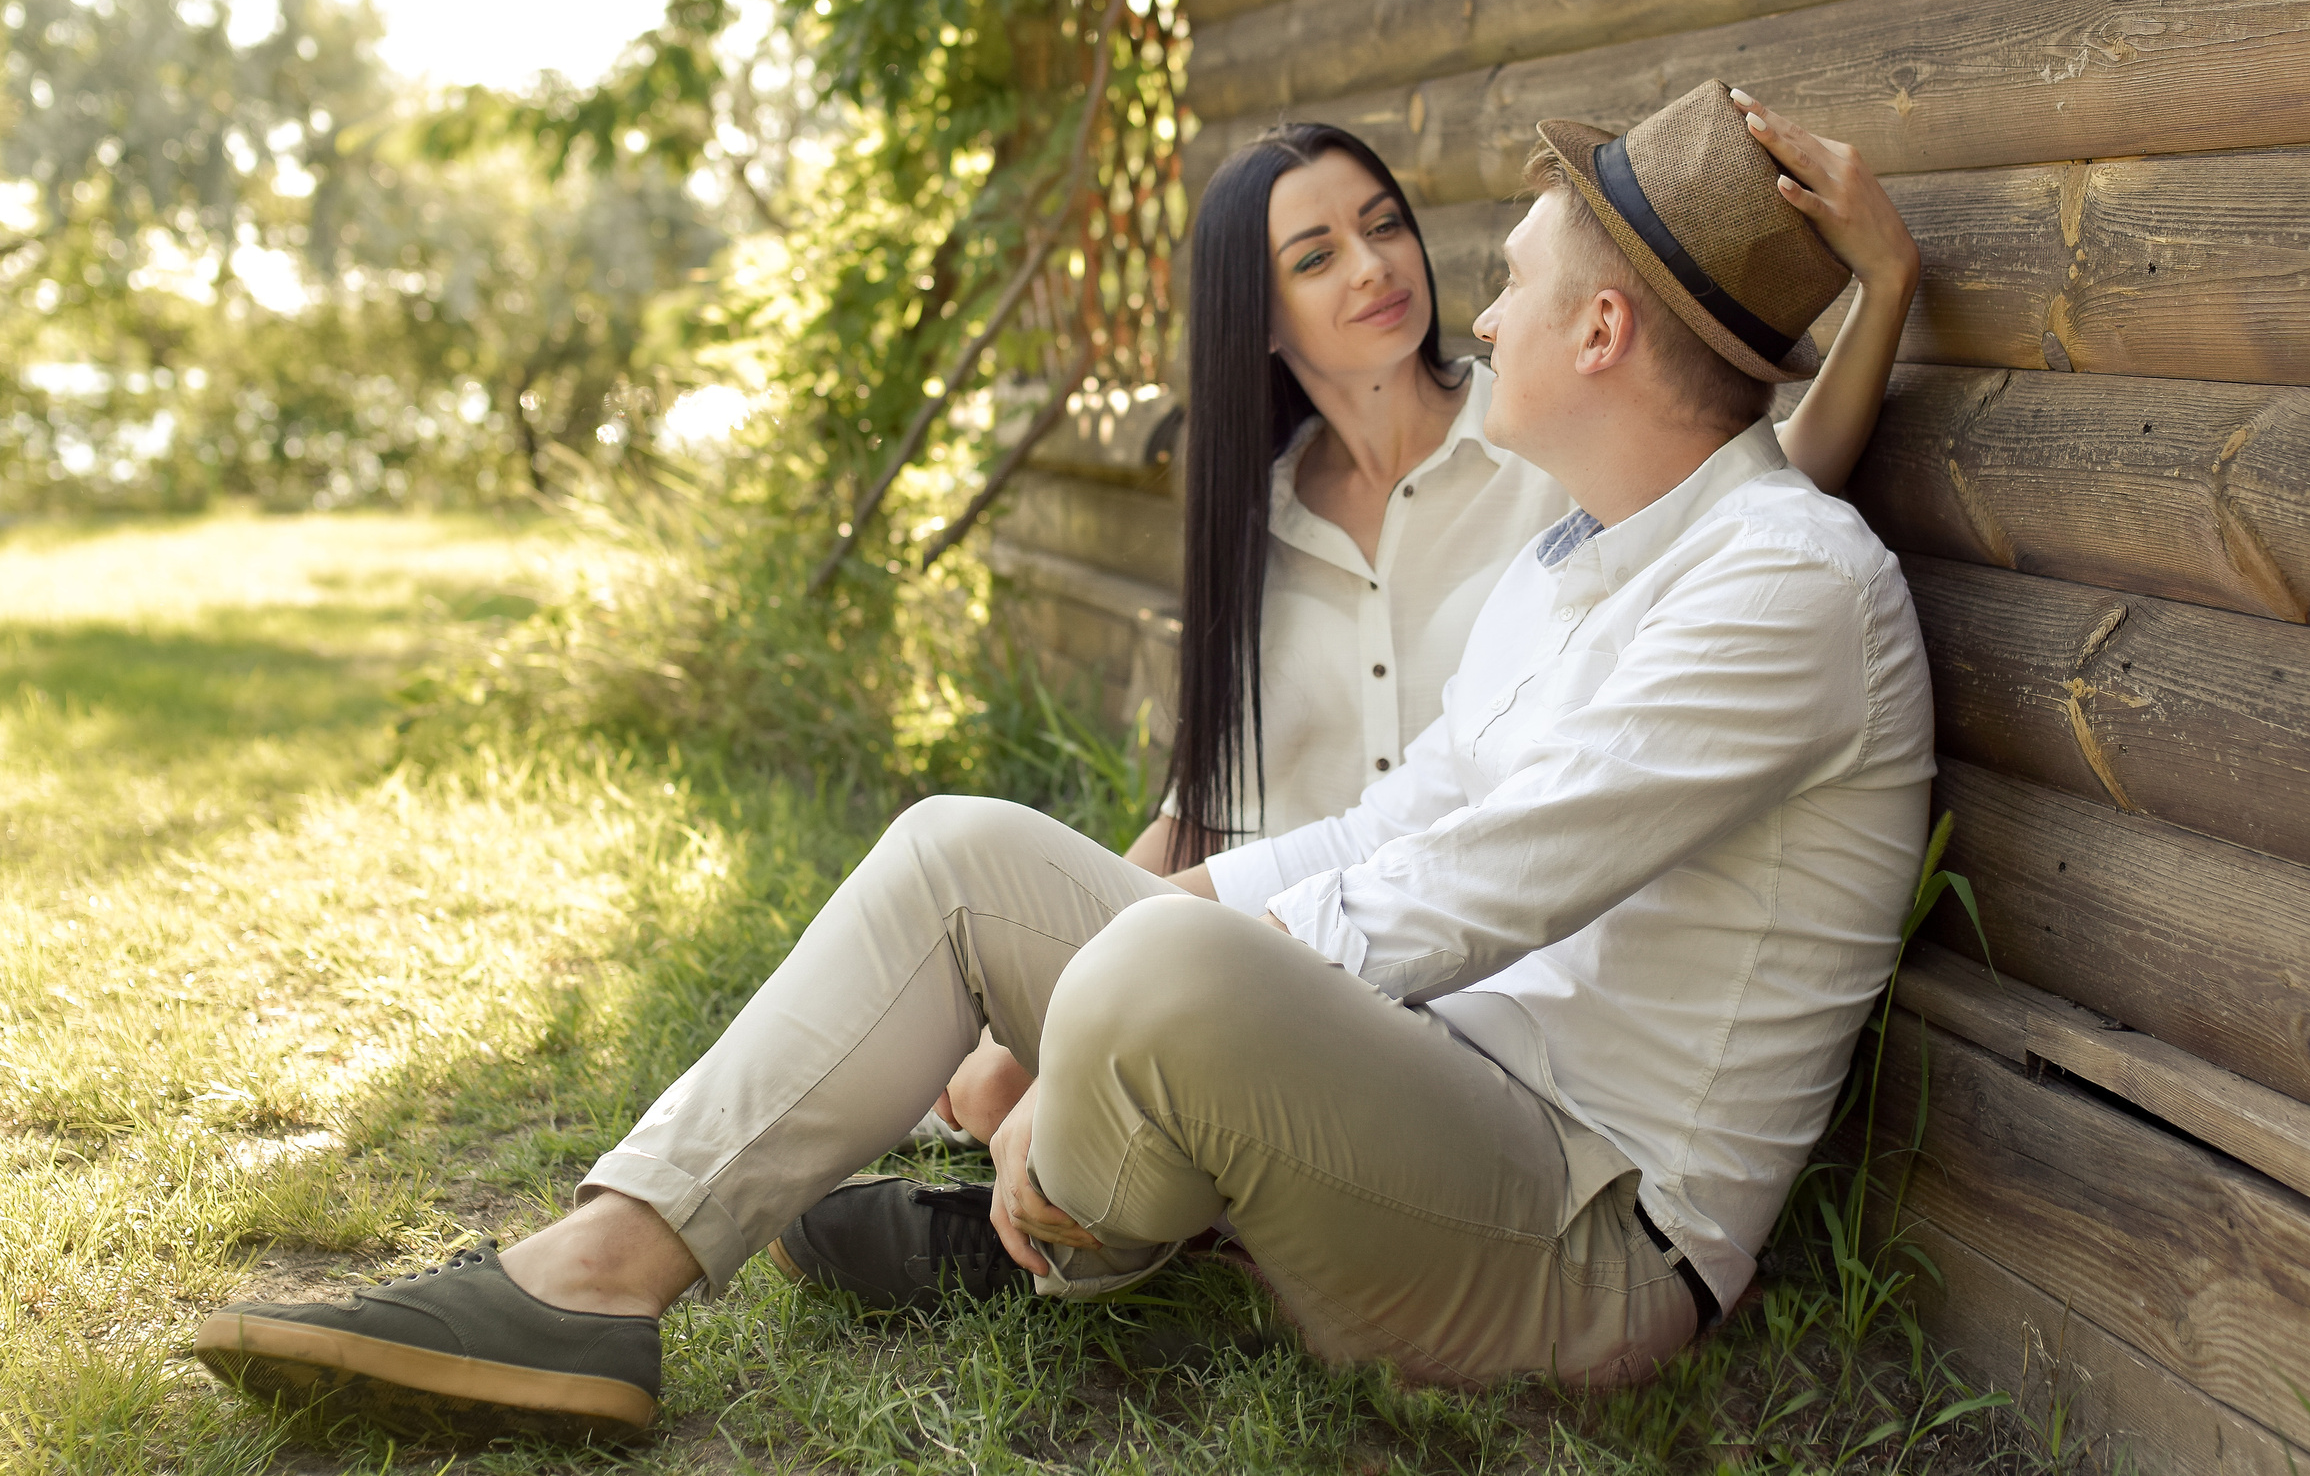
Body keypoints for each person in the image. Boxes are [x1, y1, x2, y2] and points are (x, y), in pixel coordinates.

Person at [194, 76, 1933, 1442]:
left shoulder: (1788, 589)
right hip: (1416, 1089)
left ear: (1606, 336)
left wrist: (1112, 1014)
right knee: (974, 849)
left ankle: (1093, 1220)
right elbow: (1405, 821)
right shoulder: (1586, 556)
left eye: (1514, 278)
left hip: (1578, 1233)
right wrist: (1136, 936)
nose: (1476, 305)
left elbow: (1471, 893)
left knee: (1169, 961)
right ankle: (598, 1269)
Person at [924, 94, 1908, 1145]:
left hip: (1447, 960)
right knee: (991, 1070)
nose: (1371, 267)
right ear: (1254, 318)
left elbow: (1752, 484)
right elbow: (1199, 803)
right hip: (1290, 918)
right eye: (1315, 257)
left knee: (1067, 1086)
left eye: (1383, 224)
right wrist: (1072, 960)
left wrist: (1884, 289)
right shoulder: (1256, 517)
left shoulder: (1555, 439)